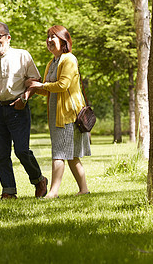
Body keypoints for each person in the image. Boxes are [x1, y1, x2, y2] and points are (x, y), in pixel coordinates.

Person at [0, 22, 47, 199]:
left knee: (21, 150)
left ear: (8, 37)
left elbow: (35, 80)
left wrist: (25, 98)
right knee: (1, 155)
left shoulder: (23, 55)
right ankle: (9, 191)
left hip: (18, 109)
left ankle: (39, 180)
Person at [26, 25, 90, 199]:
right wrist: (33, 86)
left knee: (59, 154)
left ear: (63, 40)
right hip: (57, 114)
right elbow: (48, 90)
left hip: (68, 114)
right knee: (72, 156)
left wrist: (40, 85)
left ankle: (53, 192)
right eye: (47, 37)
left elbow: (63, 85)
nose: (48, 40)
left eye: (52, 37)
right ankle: (84, 190)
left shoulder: (68, 59)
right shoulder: (52, 62)